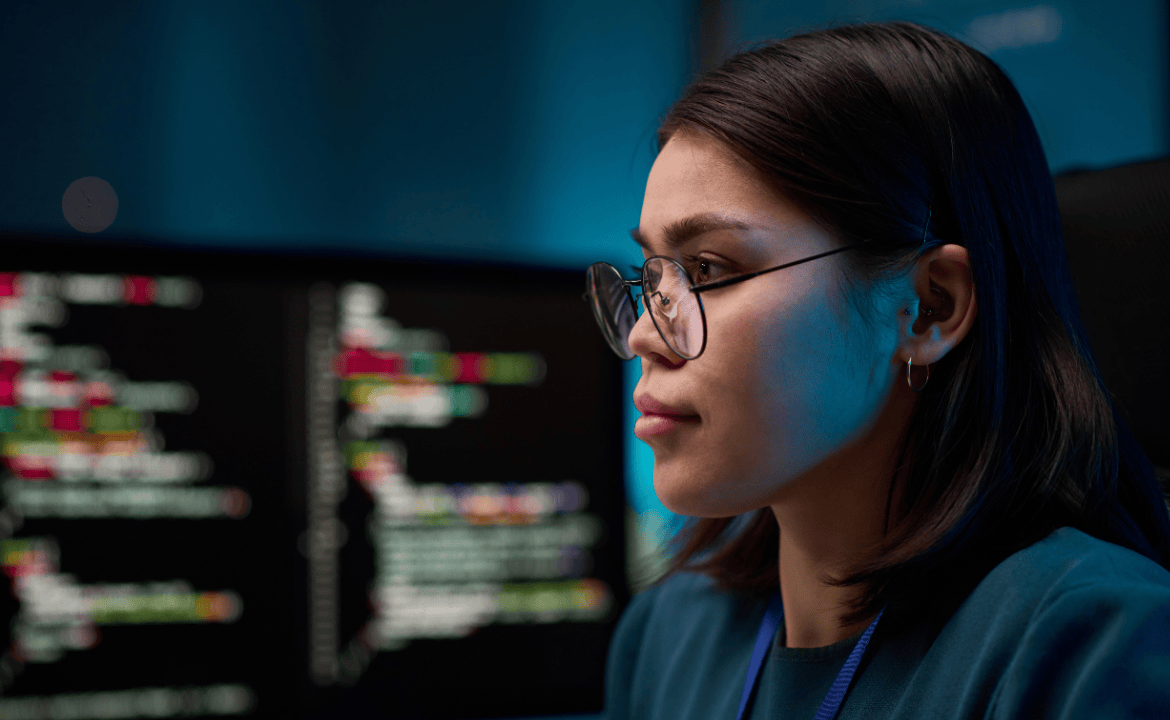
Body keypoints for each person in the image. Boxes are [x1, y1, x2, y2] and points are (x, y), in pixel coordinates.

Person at [584, 21, 1170, 720]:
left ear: (927, 309)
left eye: (709, 270)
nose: (648, 332)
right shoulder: (666, 634)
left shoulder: (1094, 652)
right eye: (651, 278)